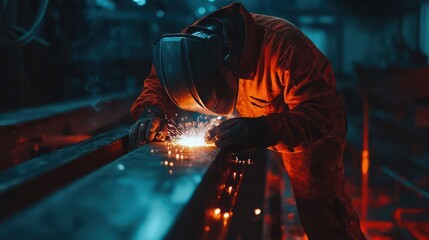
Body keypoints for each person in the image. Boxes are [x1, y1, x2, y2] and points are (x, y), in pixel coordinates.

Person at [129, 2, 366, 239]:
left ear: (231, 62)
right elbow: (158, 84)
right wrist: (152, 112)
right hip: (258, 116)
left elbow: (319, 115)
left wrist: (259, 130)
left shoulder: (285, 48)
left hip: (307, 117)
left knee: (319, 206)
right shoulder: (188, 46)